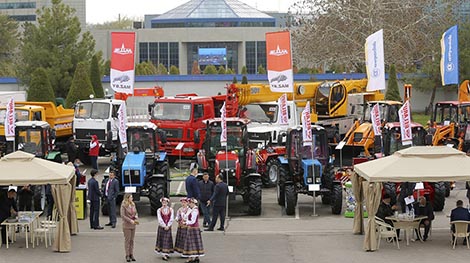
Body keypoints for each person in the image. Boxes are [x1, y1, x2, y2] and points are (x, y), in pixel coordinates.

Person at [182, 198, 204, 263]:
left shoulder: (195, 210)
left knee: (192, 243)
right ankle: (194, 257)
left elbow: (193, 221)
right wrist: (184, 216)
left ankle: (192, 257)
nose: (188, 204)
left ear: (193, 203)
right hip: (191, 228)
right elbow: (186, 216)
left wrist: (186, 222)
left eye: (189, 203)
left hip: (194, 228)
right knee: (193, 243)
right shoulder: (191, 209)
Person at [120, 193, 139, 262]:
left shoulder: (133, 204)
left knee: (132, 240)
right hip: (127, 225)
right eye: (131, 197)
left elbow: (136, 212)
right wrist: (130, 220)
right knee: (127, 240)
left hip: (133, 225)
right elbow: (122, 215)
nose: (132, 198)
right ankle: (127, 255)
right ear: (127, 198)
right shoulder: (123, 205)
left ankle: (131, 254)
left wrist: (136, 216)